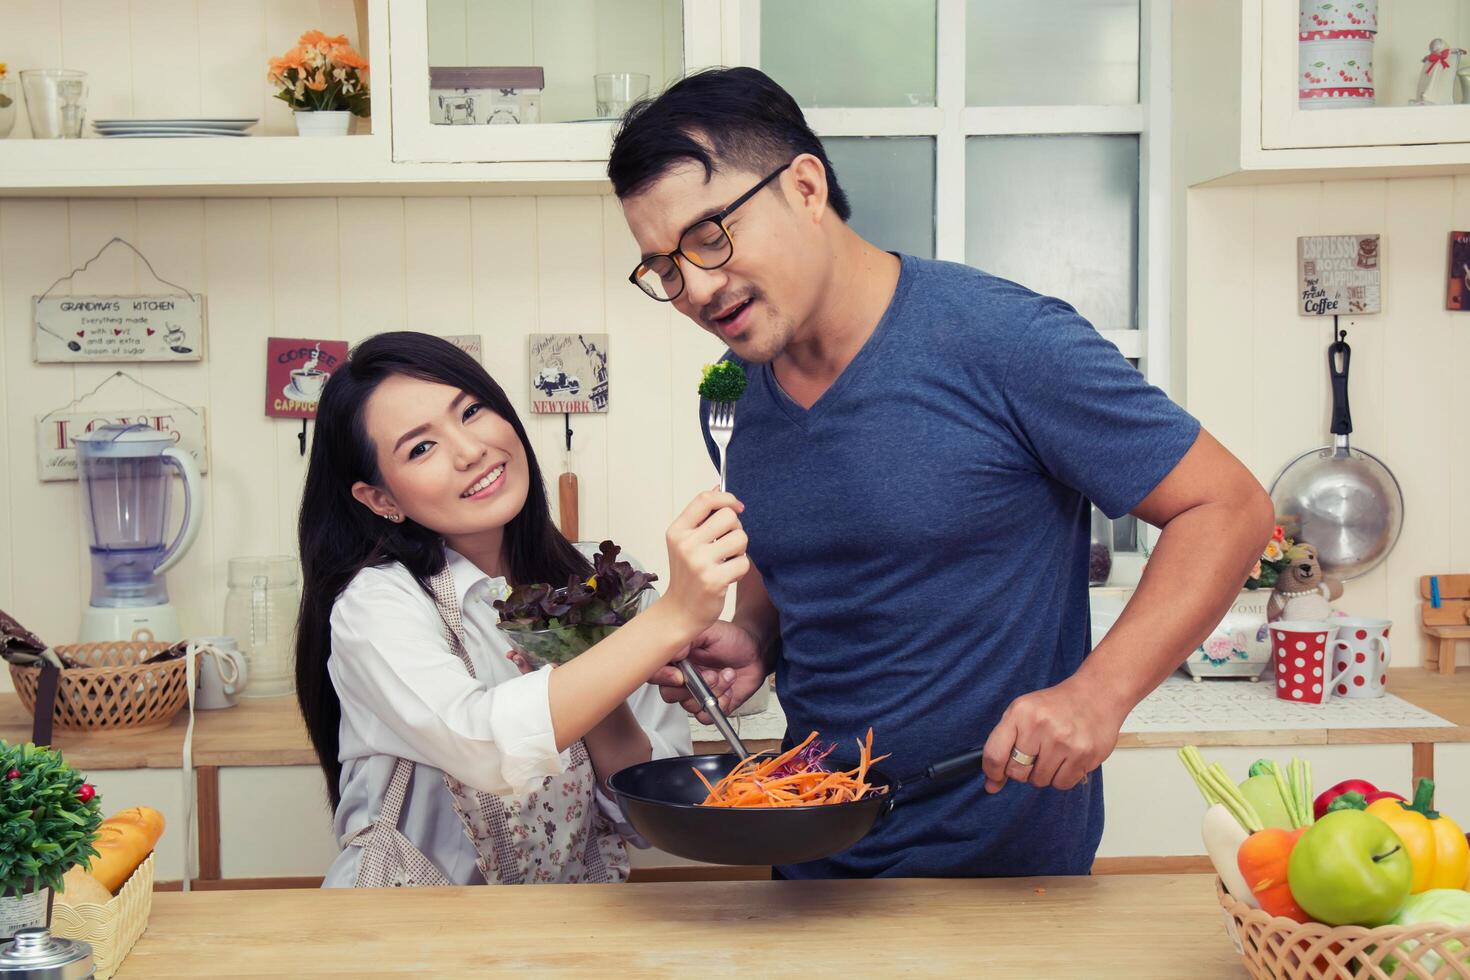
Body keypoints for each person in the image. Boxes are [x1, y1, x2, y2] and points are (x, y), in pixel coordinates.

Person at [609, 68, 1274, 879]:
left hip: (1002, 875)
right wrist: (755, 636)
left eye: (710, 236)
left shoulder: (1001, 339)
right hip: (811, 860)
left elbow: (1229, 506)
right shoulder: (737, 388)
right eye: (665, 269)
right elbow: (807, 557)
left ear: (807, 187)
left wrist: (1100, 694)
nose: (697, 288)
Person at [295, 331, 749, 886]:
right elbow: (485, 748)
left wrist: (592, 649)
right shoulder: (377, 605)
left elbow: (647, 817)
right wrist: (673, 618)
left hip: (566, 933)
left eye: (471, 411)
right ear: (381, 499)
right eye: (421, 447)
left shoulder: (610, 585)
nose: (470, 451)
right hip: (411, 935)